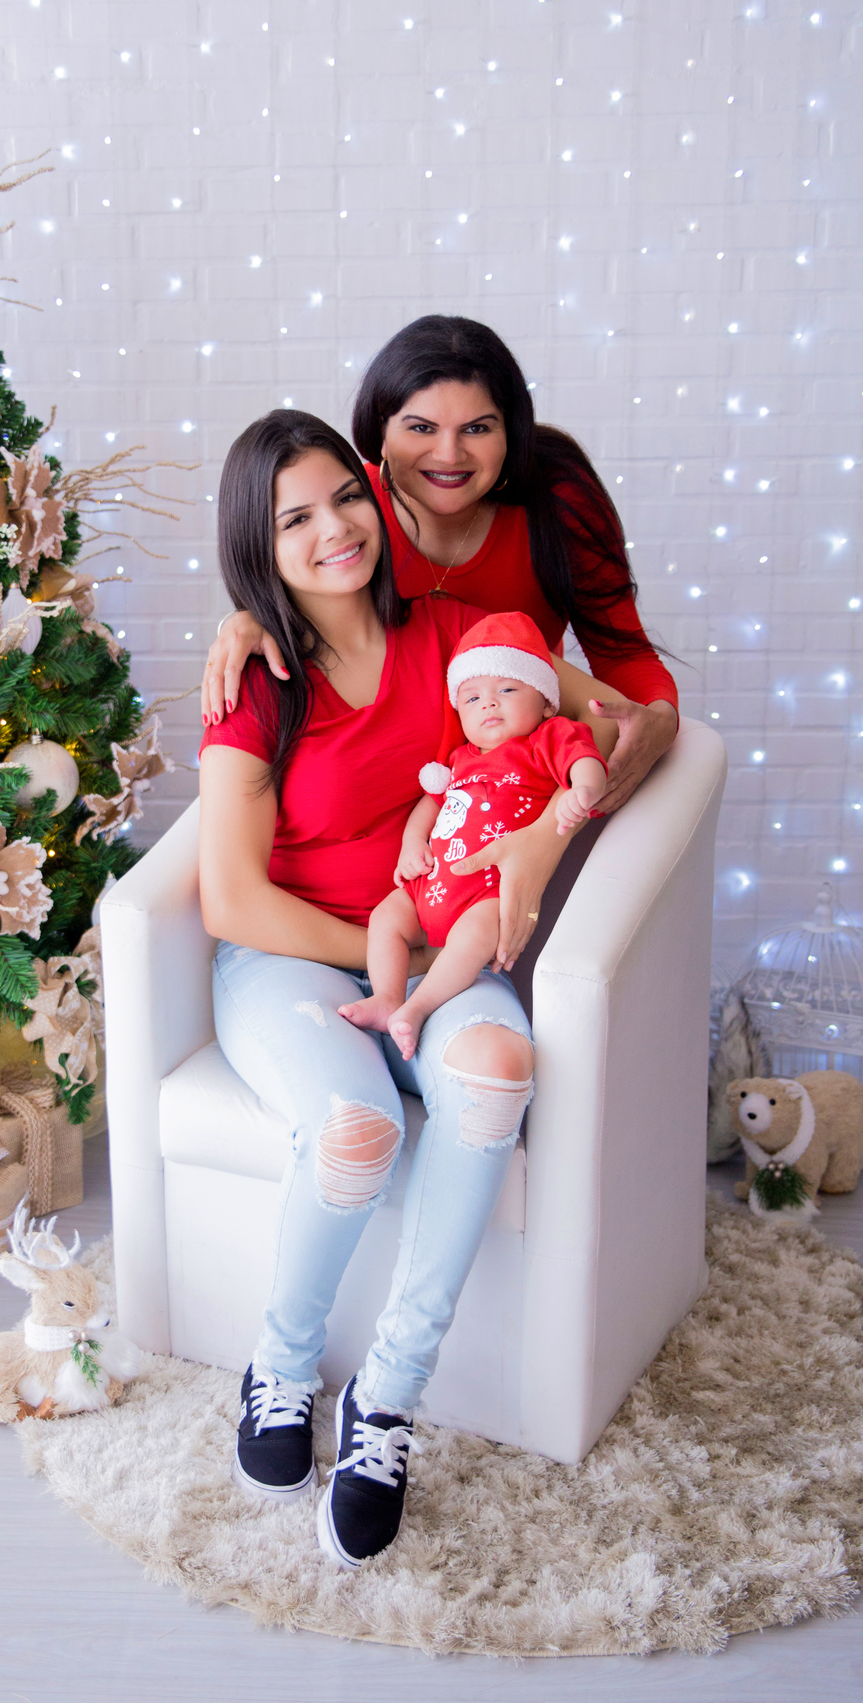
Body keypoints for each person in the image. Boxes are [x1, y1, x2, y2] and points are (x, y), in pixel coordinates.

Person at [199, 408, 628, 1569]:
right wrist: (375, 942)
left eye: (346, 495)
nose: (335, 528)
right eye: (293, 520)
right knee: (357, 1127)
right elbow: (230, 901)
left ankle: (386, 1397)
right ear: (256, 548)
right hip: (291, 959)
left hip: (442, 953)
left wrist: (543, 833)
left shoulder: (459, 636)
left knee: (495, 1070)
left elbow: (624, 728)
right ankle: (282, 1367)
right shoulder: (259, 680)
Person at [201, 315, 678, 846]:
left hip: (523, 766)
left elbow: (622, 653)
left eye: (478, 428)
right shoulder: (354, 515)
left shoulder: (557, 501)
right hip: (412, 781)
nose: (449, 454)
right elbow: (290, 576)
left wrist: (659, 722)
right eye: (421, 428)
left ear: (511, 432)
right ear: (379, 434)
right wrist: (247, 616)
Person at [339, 612, 607, 1061]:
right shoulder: (459, 759)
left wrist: (583, 789)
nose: (489, 704)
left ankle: (418, 1007)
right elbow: (430, 805)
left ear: (546, 703)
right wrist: (412, 844)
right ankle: (386, 997)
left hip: (487, 894)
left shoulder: (547, 739)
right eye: (473, 697)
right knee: (386, 918)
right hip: (431, 884)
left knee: (476, 936)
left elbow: (584, 757)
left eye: (508, 690)